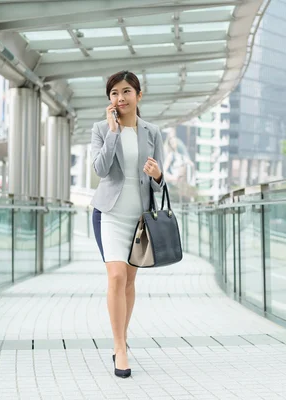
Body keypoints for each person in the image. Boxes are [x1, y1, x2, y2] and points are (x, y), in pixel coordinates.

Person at [90, 71, 165, 378]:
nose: (119, 99)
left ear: (138, 95)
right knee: (117, 276)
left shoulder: (153, 132)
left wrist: (159, 175)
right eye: (113, 94)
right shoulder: (100, 129)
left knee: (130, 282)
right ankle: (120, 348)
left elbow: (159, 184)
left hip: (139, 220)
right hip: (109, 214)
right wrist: (112, 133)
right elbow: (100, 169)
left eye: (125, 92)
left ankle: (122, 339)